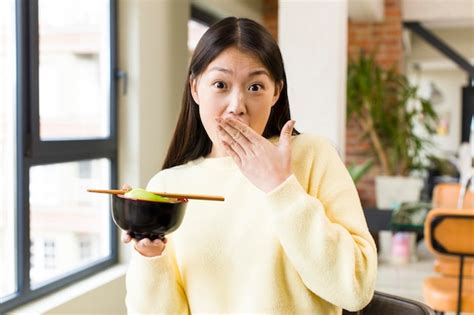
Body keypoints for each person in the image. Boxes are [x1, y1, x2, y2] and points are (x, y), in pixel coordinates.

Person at [123, 17, 377, 314]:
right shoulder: (167, 188)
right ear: (195, 88)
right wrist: (149, 256)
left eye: (255, 86)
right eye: (220, 85)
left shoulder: (311, 156)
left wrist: (281, 188)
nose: (237, 106)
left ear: (276, 92)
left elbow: (356, 289)